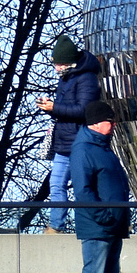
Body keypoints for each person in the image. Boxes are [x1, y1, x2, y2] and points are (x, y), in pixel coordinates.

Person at [70, 100, 131, 273]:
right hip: (99, 227)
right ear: (96, 124)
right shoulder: (83, 150)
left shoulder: (103, 148)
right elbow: (83, 191)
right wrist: (104, 217)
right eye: (109, 121)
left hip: (113, 225)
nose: (113, 125)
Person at [37, 35, 100, 234]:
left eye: (59, 63)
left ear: (69, 62)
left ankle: (95, 224)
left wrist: (54, 108)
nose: (56, 67)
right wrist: (52, 107)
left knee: (84, 188)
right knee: (56, 184)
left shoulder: (87, 79)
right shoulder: (66, 78)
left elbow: (83, 110)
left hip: (79, 142)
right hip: (64, 142)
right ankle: (56, 226)